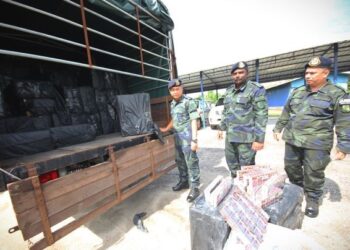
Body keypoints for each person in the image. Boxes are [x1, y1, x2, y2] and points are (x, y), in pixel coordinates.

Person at [273, 56, 350, 218]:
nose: (308, 76)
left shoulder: (337, 94)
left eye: (313, 73)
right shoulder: (297, 91)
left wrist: (344, 146)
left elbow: (344, 121)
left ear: (325, 73)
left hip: (317, 143)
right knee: (291, 168)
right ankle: (296, 192)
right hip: (293, 139)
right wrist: (278, 127)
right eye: (307, 73)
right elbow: (286, 112)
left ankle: (313, 200)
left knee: (313, 172)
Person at [218, 61, 268, 178]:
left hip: (246, 139)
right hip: (230, 138)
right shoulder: (229, 91)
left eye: (241, 72)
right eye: (235, 73)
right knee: (232, 166)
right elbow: (226, 111)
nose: (238, 75)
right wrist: (221, 127)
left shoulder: (256, 89)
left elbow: (261, 115)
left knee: (247, 169)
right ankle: (236, 189)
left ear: (247, 73)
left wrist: (259, 139)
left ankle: (248, 192)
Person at [160, 78, 200, 202]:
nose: (175, 92)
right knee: (180, 161)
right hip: (177, 137)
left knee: (191, 162)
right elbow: (175, 119)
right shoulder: (172, 103)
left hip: (187, 137)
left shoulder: (189, 102)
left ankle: (195, 187)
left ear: (182, 88)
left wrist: (194, 140)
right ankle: (184, 182)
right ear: (170, 91)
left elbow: (194, 120)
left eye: (177, 89)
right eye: (172, 90)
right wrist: (167, 128)